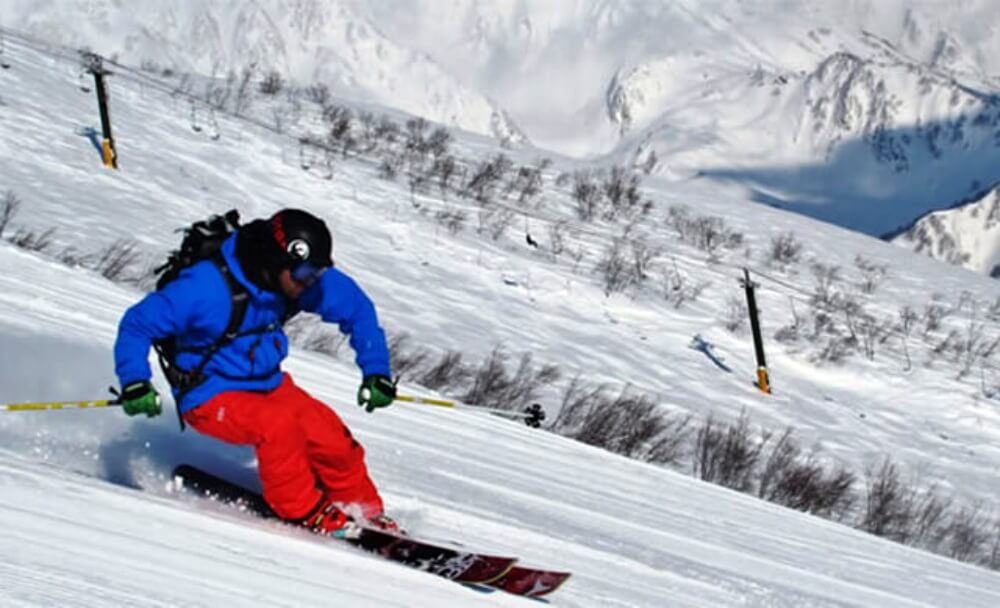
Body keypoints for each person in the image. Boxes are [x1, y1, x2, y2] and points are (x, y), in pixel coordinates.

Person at [113, 208, 398, 535]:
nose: (311, 283)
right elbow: (137, 325)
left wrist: (376, 370)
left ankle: (364, 512)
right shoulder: (205, 288)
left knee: (331, 436)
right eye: (304, 274)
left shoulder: (300, 281)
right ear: (275, 261)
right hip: (208, 394)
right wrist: (135, 381)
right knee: (276, 427)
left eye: (316, 274)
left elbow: (357, 309)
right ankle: (304, 511)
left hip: (267, 384)